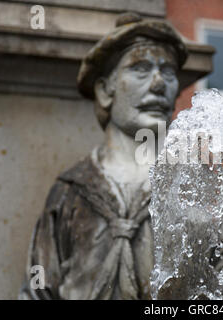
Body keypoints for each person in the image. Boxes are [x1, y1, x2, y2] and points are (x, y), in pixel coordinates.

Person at [19, 12, 188, 300]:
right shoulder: (70, 190)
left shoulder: (192, 188)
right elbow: (37, 291)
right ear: (105, 90)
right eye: (141, 68)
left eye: (169, 72)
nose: (159, 84)